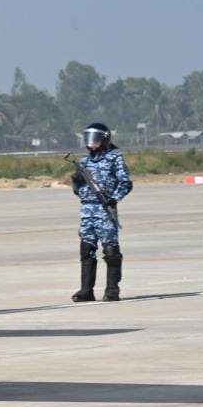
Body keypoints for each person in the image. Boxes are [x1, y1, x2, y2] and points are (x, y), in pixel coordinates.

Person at [70, 121, 132, 302]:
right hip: (87, 210)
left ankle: (112, 290)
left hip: (105, 210)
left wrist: (114, 199)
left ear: (104, 140)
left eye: (95, 139)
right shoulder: (85, 161)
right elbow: (77, 190)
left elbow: (126, 183)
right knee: (86, 249)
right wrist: (76, 181)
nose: (91, 143)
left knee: (110, 250)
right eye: (89, 139)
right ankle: (86, 290)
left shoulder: (115, 157)